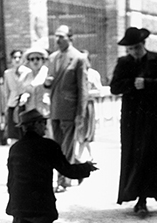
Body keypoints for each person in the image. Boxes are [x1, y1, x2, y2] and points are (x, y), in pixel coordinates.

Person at [0, 109, 97, 223]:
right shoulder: (49, 146)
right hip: (40, 209)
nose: (46, 127)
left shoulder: (15, 148)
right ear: (36, 125)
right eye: (44, 123)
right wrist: (87, 167)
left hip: (17, 207)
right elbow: (67, 171)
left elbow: (10, 181)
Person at [110, 27, 157, 215]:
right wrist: (132, 84)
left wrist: (148, 83)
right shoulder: (123, 63)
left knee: (152, 153)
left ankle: (147, 196)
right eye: (130, 49)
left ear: (143, 45)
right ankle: (137, 196)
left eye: (136, 48)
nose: (134, 52)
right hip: (132, 116)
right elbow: (115, 87)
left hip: (154, 115)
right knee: (134, 153)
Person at [44, 25, 88, 192]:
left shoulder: (78, 58)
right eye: (56, 36)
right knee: (57, 146)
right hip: (55, 107)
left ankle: (63, 181)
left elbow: (82, 88)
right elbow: (50, 81)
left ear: (70, 38)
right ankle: (79, 169)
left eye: (61, 36)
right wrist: (47, 83)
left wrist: (80, 113)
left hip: (70, 110)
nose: (58, 40)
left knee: (66, 146)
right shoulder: (53, 57)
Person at [75, 50, 103, 162]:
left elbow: (100, 91)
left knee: (85, 131)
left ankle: (79, 156)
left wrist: (86, 93)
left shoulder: (93, 74)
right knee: (79, 132)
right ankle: (89, 155)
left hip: (88, 106)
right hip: (77, 106)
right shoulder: (74, 73)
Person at [3, 49, 30, 144]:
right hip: (12, 105)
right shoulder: (7, 73)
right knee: (13, 132)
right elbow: (6, 91)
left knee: (24, 131)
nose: (17, 59)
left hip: (24, 105)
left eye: (19, 57)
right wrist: (6, 106)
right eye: (15, 57)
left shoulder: (28, 72)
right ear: (11, 59)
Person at [18, 47, 50, 121]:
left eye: (38, 58)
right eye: (32, 59)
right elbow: (24, 90)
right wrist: (24, 95)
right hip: (30, 112)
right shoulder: (26, 75)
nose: (35, 61)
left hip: (45, 112)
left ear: (43, 60)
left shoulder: (47, 73)